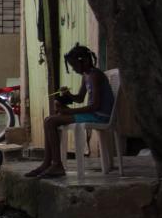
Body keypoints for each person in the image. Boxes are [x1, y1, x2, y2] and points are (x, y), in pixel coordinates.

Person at [27, 43, 114, 179]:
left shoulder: (95, 75)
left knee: (51, 121)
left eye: (74, 65)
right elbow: (79, 98)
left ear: (84, 61)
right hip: (93, 113)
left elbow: (95, 106)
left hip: (100, 116)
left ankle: (56, 165)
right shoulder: (87, 75)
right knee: (49, 120)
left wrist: (70, 112)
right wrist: (68, 94)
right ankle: (47, 163)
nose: (73, 69)